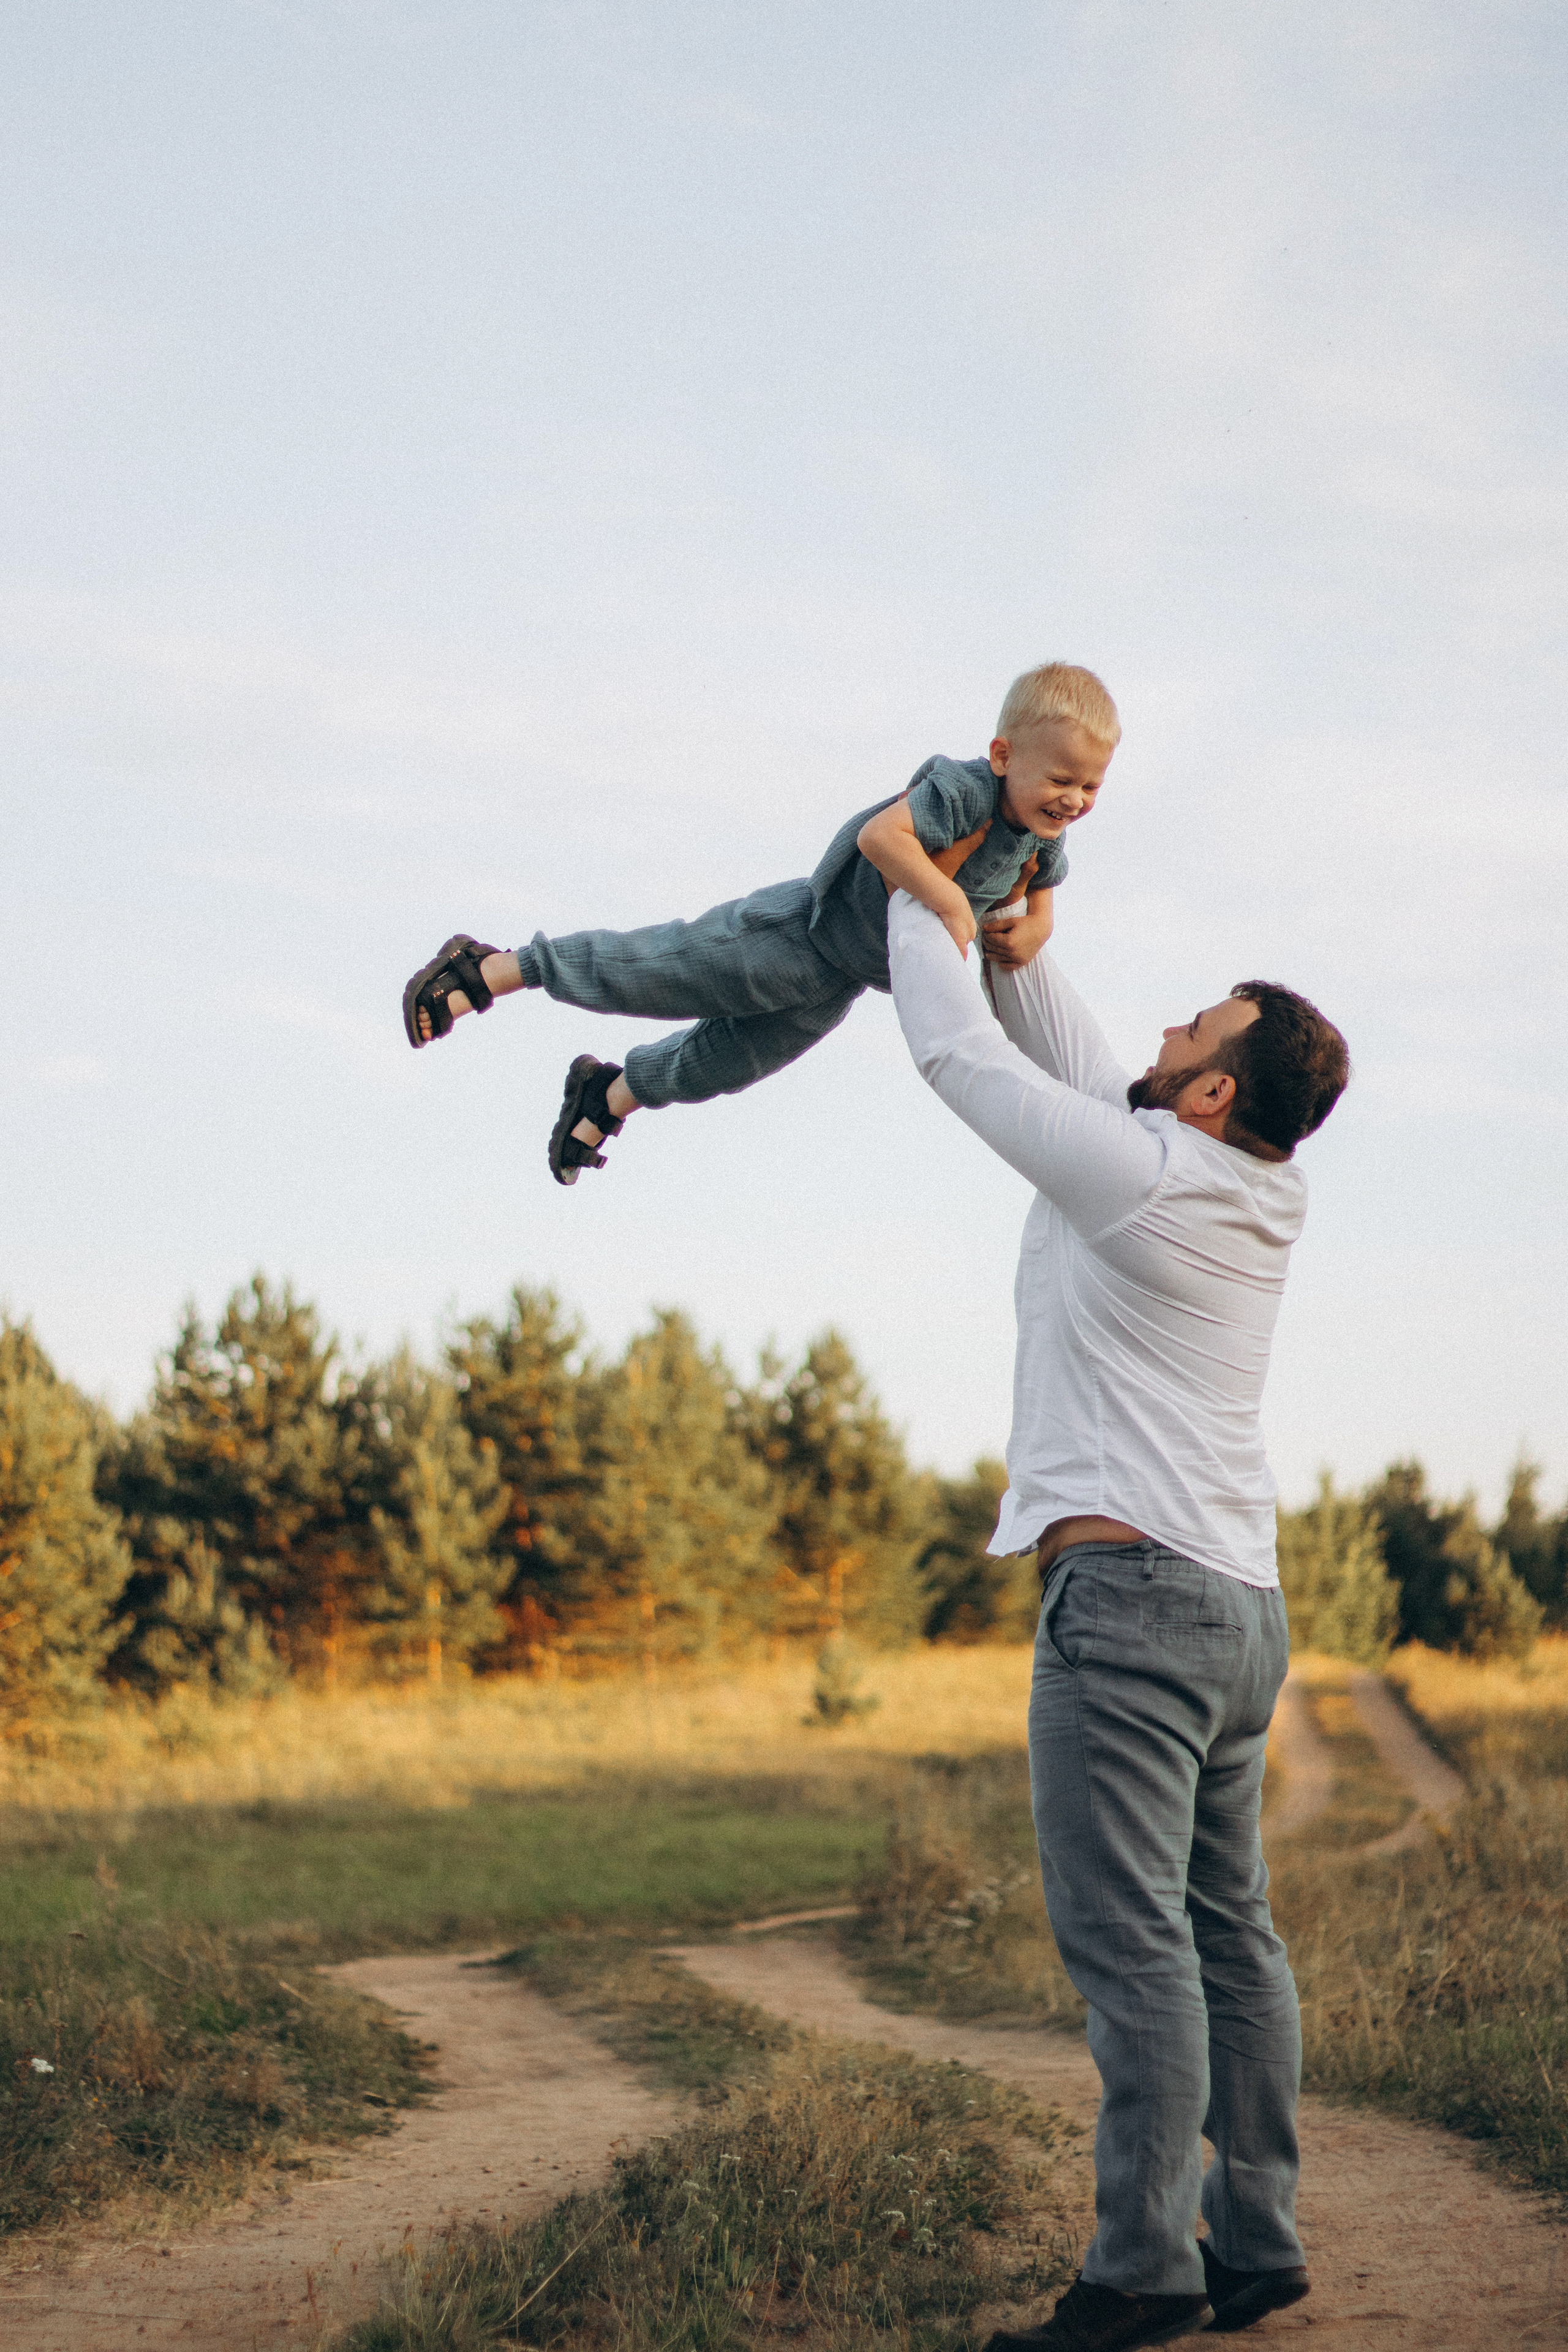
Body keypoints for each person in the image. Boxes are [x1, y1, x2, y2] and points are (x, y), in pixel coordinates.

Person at [886, 888, 1349, 2352]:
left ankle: (1141, 2269)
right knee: (1227, 1933)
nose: (1165, 1026)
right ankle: (1252, 2239)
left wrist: (913, 889)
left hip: (1132, 1610)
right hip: (1235, 1608)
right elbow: (1100, 1083)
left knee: (1133, 1944)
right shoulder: (1246, 1182)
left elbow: (957, 1060)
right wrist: (1022, 958)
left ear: (1211, 1091)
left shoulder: (1146, 1180)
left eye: (1192, 1026)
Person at [400, 663, 1118, 1183]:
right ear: (1002, 756)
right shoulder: (964, 792)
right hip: (801, 932)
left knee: (722, 1066)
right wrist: (952, 901)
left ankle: (606, 1093)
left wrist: (1038, 927)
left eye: (1090, 785)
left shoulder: (1042, 836)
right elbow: (882, 838)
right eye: (1060, 779)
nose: (1075, 800)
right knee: (662, 971)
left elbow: (1043, 892)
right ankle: (491, 969)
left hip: (840, 982)